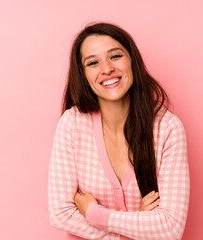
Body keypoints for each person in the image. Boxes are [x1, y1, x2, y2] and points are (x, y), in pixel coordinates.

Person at [48, 22, 190, 240]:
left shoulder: (167, 129)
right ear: (83, 75)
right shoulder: (72, 124)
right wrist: (138, 227)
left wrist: (95, 214)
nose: (106, 69)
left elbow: (170, 228)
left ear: (133, 61)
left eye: (115, 56)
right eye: (93, 62)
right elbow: (61, 213)